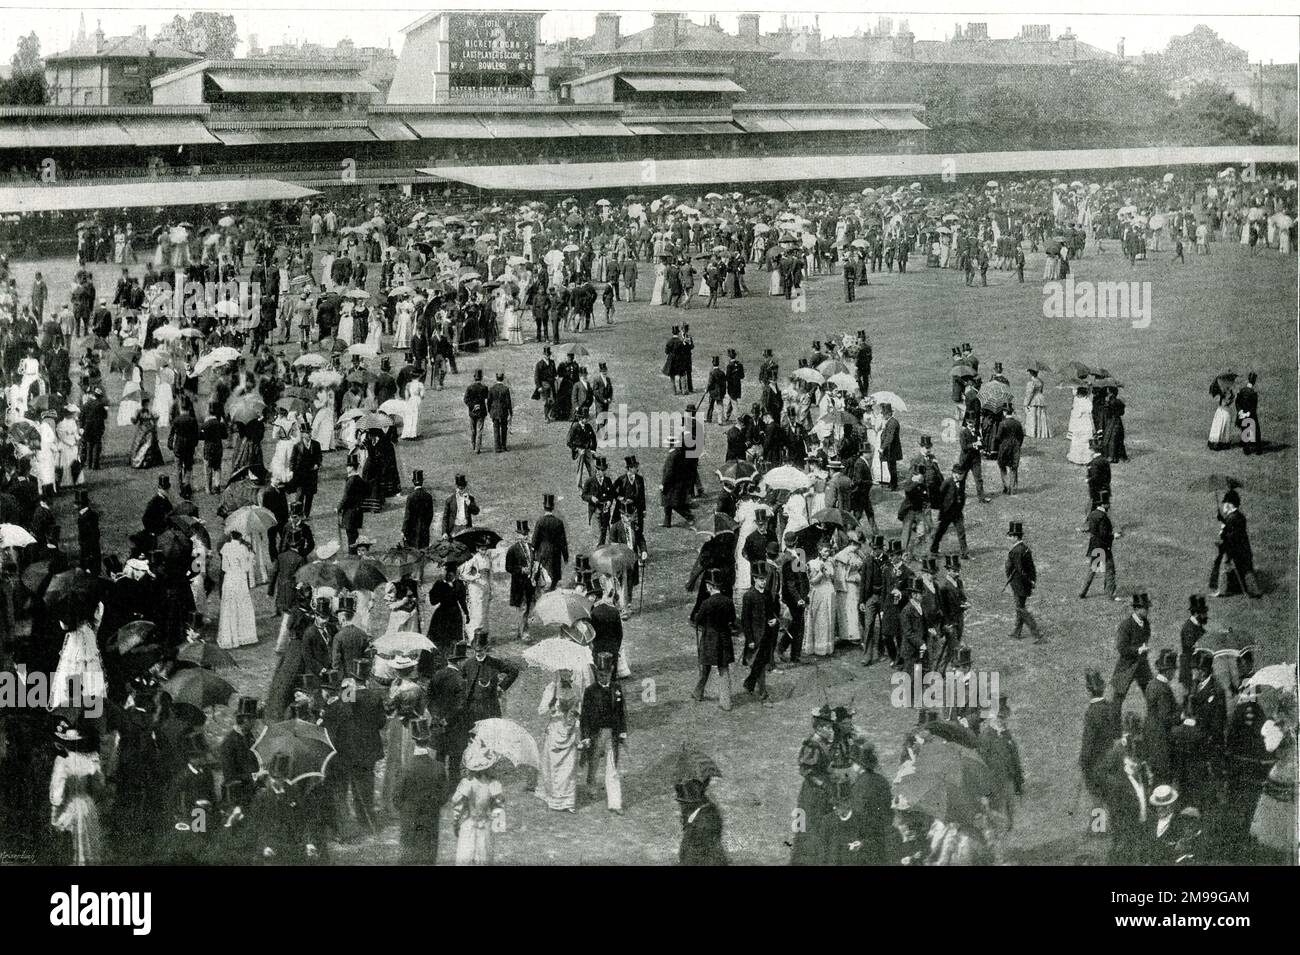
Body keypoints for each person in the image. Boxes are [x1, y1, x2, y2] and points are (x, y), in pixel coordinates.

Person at [48, 722, 106, 865]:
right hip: (87, 806)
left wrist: (55, 812)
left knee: (72, 848)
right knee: (89, 848)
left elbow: (57, 792)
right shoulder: (90, 758)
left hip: (70, 806)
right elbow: (100, 784)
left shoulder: (62, 760)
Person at [393, 718, 450, 864]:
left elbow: (396, 798)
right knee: (428, 857)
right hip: (430, 819)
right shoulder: (439, 767)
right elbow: (444, 796)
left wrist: (407, 809)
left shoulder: (405, 768)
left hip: (409, 819)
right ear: (429, 739)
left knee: (408, 857)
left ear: (413, 741)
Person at [580, 652, 627, 814]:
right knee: (593, 762)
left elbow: (621, 712)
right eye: (599, 674)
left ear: (611, 670)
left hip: (612, 734)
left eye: (605, 674)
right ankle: (591, 784)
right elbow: (584, 715)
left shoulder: (617, 688)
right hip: (596, 733)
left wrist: (622, 732)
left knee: (612, 768)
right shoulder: (590, 691)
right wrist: (585, 736)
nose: (602, 678)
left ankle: (615, 802)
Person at [451, 738, 505, 865]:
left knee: (466, 857)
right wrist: (494, 821)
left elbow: (457, 806)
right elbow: (499, 808)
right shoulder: (493, 785)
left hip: (468, 824)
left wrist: (455, 822)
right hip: (485, 825)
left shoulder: (467, 784)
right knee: (483, 857)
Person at [692, 569, 737, 711]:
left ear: (710, 586)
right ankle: (726, 702)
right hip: (724, 639)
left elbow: (698, 620)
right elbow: (733, 620)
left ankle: (698, 692)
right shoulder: (728, 602)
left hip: (709, 639)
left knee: (705, 666)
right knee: (723, 669)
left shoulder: (706, 603)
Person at [536, 671, 580, 812]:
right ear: (559, 672)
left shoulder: (577, 688)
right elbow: (541, 711)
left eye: (569, 670)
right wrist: (551, 704)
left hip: (569, 730)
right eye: (563, 670)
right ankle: (555, 799)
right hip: (555, 730)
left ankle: (568, 801)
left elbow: (580, 708)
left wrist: (576, 716)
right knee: (554, 766)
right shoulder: (552, 688)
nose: (567, 673)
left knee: (569, 766)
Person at [1212, 493, 1261, 598]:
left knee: (1226, 568)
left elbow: (1231, 534)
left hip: (1233, 550)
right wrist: (1222, 519)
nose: (1223, 506)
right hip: (1243, 550)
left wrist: (1222, 534)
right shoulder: (1238, 516)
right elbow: (1234, 528)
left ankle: (1222, 591)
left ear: (1229, 504)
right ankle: (1255, 591)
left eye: (1225, 504)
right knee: (1247, 570)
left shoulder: (1231, 518)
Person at [217, 530, 258, 650]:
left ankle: (229, 637)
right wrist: (250, 559)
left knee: (229, 607)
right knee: (242, 606)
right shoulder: (243, 549)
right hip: (240, 579)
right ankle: (243, 636)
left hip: (229, 578)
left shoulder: (226, 547)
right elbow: (245, 568)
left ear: (231, 536)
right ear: (241, 537)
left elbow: (224, 567)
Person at [1112, 591, 1153, 710]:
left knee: (1151, 695)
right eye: (1145, 608)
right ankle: (1112, 726)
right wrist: (1139, 650)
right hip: (1126, 666)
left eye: (1147, 607)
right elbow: (1122, 648)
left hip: (1142, 665)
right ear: (1136, 609)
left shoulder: (1146, 624)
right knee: (1118, 699)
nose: (1147, 610)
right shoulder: (1126, 625)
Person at [676, 777, 728, 865]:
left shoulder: (704, 817)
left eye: (684, 803)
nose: (682, 806)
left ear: (692, 803)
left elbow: (696, 845)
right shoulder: (705, 809)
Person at [1004, 521, 1042, 642]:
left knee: (1020, 609)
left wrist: (1028, 581)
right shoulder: (1025, 548)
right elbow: (1032, 567)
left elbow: (1020, 570)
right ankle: (1017, 632)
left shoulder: (1016, 551)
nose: (1008, 537)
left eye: (1010, 535)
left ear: (1015, 537)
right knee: (1020, 606)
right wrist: (1032, 580)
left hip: (1019, 584)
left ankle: (1037, 633)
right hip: (1024, 584)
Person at [1079, 491, 1118, 601]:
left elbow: (1090, 529)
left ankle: (1082, 591)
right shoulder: (1103, 517)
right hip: (1104, 548)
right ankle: (1110, 594)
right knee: (1110, 570)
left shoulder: (1092, 514)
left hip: (1095, 547)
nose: (1109, 505)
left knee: (1092, 569)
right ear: (1104, 504)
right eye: (1108, 503)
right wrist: (1114, 535)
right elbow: (1104, 534)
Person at [805, 540, 837, 657]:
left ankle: (828, 647)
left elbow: (833, 577)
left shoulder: (831, 562)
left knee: (829, 618)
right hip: (819, 592)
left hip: (829, 593)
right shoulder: (812, 563)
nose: (826, 553)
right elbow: (811, 581)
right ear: (819, 551)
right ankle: (818, 647)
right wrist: (820, 573)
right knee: (820, 619)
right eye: (824, 551)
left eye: (828, 551)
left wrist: (828, 573)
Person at [532, 493, 568, 591]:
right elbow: (563, 542)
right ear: (553, 507)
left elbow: (534, 540)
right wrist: (566, 557)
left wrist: (532, 554)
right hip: (555, 553)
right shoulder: (558, 522)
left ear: (544, 507)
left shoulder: (540, 521)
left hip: (542, 553)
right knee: (554, 577)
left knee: (544, 576)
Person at [337, 454, 369, 552]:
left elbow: (346, 497)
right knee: (354, 534)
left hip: (350, 513)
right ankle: (355, 552)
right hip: (358, 511)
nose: (347, 468)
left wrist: (338, 508)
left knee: (350, 535)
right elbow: (367, 492)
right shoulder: (360, 480)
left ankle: (352, 555)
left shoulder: (350, 481)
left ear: (351, 467)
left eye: (348, 466)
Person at [402, 469, 434, 549]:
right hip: (424, 530)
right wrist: (426, 526)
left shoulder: (410, 497)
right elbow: (430, 515)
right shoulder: (428, 496)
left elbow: (407, 516)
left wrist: (404, 530)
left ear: (413, 481)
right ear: (422, 481)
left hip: (412, 531)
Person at [130, 397, 164, 469]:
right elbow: (135, 421)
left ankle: (147, 461)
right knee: (139, 445)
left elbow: (156, 418)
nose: (145, 405)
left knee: (148, 446)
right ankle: (138, 462)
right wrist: (133, 419)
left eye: (146, 403)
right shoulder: (139, 411)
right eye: (144, 403)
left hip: (149, 431)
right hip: (141, 431)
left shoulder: (150, 411)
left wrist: (155, 420)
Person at [1066, 386, 1093, 465]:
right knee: (1085, 441)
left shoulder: (1078, 402)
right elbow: (1089, 410)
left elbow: (1077, 414)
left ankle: (1077, 458)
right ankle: (1086, 458)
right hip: (1086, 423)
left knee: (1078, 441)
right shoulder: (1087, 401)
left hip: (1079, 423)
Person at [464, 369, 489, 453]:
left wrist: (473, 406)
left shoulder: (470, 387)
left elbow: (466, 400)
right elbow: (487, 397)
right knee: (480, 430)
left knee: (473, 430)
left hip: (472, 412)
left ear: (474, 377)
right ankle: (478, 448)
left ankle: (473, 445)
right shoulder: (484, 387)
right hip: (481, 411)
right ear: (481, 377)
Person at [1236, 371, 1260, 454]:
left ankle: (1246, 449)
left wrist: (1240, 411)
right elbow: (1254, 406)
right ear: (1254, 381)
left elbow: (1237, 402)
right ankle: (1258, 450)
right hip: (1251, 415)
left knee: (1244, 430)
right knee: (1256, 431)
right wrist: (1249, 413)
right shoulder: (1253, 393)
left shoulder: (1242, 390)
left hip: (1242, 414)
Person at [1208, 376, 1235, 450]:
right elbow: (1225, 403)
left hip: (1221, 411)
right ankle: (1220, 442)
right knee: (1222, 427)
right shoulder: (1224, 393)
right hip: (1224, 412)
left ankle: (1218, 442)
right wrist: (1230, 399)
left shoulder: (1223, 392)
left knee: (1219, 427)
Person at [488, 372, 512, 452]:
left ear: (496, 378)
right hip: (503, 411)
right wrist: (510, 413)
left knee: (496, 428)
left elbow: (489, 401)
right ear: (503, 378)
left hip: (494, 411)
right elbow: (508, 402)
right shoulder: (505, 389)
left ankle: (497, 447)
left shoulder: (492, 388)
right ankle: (503, 446)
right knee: (504, 428)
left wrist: (489, 411)